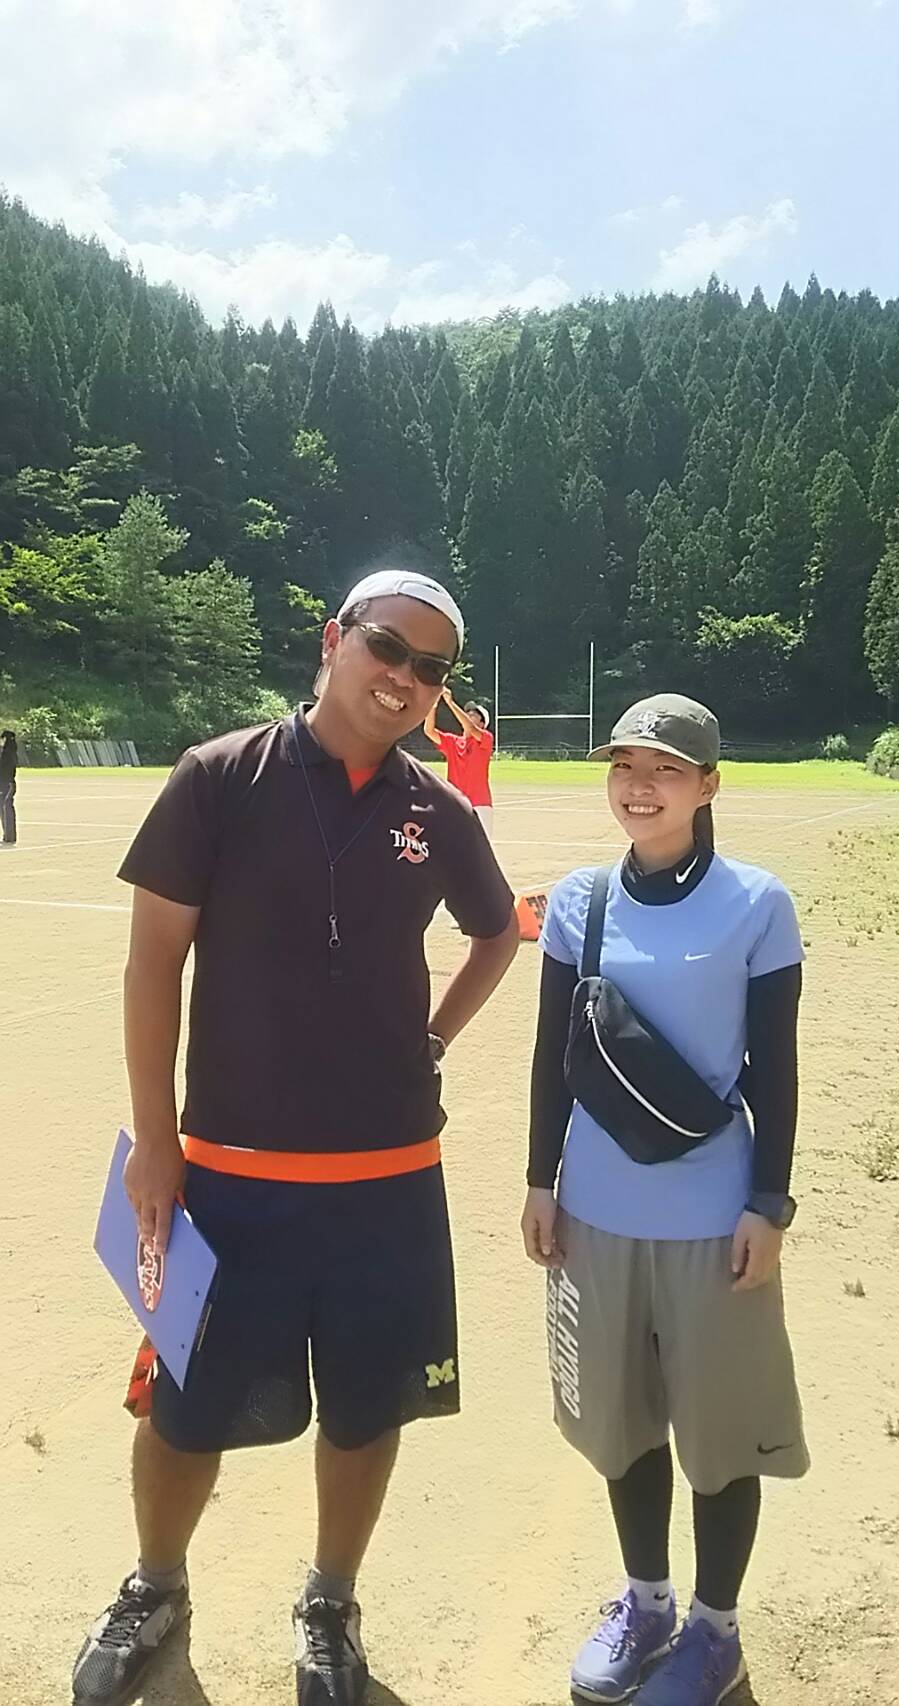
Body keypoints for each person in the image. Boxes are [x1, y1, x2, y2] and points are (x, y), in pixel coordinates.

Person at [73, 565, 519, 1706]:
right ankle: (156, 1585)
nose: (406, 678)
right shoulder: (219, 776)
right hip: (228, 1173)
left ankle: (330, 1603)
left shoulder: (439, 811)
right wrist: (156, 1141)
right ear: (333, 638)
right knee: (183, 1410)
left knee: (370, 1408)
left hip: (389, 1177)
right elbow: (152, 964)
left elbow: (495, 934)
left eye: (432, 668)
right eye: (388, 647)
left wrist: (430, 1038)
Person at [521, 693, 808, 1706]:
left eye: (666, 770)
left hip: (712, 1217)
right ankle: (645, 1602)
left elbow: (774, 1067)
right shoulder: (580, 900)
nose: (639, 787)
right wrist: (541, 1180)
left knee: (719, 1436)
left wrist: (768, 1201)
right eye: (625, 767)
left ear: (708, 785)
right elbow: (553, 1057)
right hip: (595, 1215)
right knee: (623, 1421)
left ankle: (716, 1631)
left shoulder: (758, 902)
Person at [423, 688, 495, 840]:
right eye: (467, 713)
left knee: (482, 848)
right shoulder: (453, 742)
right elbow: (429, 731)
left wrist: (450, 703)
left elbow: (470, 728)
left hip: (479, 804)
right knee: (455, 847)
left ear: (482, 724)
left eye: (473, 715)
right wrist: (433, 705)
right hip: (456, 804)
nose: (468, 715)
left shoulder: (486, 739)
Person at [0, 729, 17, 845]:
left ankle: (9, 836)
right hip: (6, 783)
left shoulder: (7, 754)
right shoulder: (8, 752)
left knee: (6, 808)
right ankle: (8, 835)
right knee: (4, 808)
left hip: (6, 783)